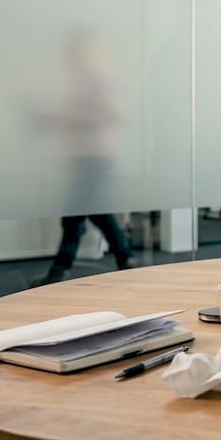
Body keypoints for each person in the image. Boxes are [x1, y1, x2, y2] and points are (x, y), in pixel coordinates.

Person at [35, 29, 133, 286]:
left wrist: (69, 121)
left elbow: (114, 115)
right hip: (82, 155)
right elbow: (72, 117)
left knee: (75, 214)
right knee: (97, 212)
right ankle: (126, 259)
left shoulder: (100, 80)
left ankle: (60, 269)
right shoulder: (79, 81)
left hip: (95, 155)